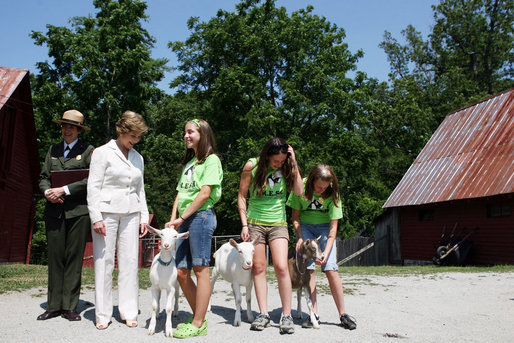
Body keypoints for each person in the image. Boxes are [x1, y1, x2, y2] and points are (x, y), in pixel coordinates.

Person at [87, 111, 149, 330]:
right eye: (133, 135)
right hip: (106, 214)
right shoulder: (102, 153)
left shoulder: (138, 157)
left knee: (130, 262)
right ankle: (102, 314)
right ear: (122, 131)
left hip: (132, 214)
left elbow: (140, 189)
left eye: (139, 137)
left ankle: (129, 311)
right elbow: (93, 187)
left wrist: (143, 216)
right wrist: (96, 217)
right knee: (104, 263)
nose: (136, 140)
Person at [164, 119, 223, 339]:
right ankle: (200, 317)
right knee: (181, 272)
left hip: (201, 217)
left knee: (200, 269)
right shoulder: (190, 163)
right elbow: (180, 194)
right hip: (184, 219)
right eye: (185, 132)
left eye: (190, 132)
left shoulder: (212, 161)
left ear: (203, 133)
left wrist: (182, 217)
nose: (186, 136)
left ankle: (198, 322)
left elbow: (205, 193)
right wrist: (172, 221)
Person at [239, 137, 303, 334]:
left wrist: (294, 162)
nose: (279, 164)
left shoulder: (287, 167)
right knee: (258, 268)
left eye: (283, 160)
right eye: (276, 161)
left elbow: (299, 192)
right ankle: (264, 314)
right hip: (255, 223)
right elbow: (241, 195)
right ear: (267, 155)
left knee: (282, 267)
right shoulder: (252, 165)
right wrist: (244, 224)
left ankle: (286, 316)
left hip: (278, 223)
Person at [38, 109, 94, 322]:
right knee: (55, 258)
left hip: (78, 212)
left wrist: (65, 190)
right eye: (63, 126)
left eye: (71, 127)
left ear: (79, 130)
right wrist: (47, 192)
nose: (66, 130)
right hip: (54, 211)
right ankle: (53, 306)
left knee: (73, 258)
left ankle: (70, 306)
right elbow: (43, 177)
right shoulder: (53, 150)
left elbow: (92, 179)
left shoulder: (88, 151)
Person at [286, 164, 357, 330]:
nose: (321, 190)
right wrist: (301, 238)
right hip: (305, 228)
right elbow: (295, 218)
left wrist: (325, 252)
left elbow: (333, 227)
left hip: (325, 228)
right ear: (311, 180)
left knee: (331, 269)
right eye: (318, 186)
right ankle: (314, 314)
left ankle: (343, 314)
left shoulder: (333, 193)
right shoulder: (300, 187)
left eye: (324, 187)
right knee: (309, 270)